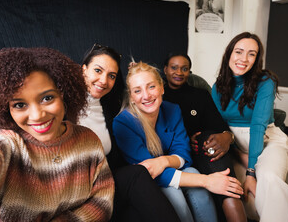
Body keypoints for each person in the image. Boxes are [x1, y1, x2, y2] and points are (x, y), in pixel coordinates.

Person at [0, 47, 114, 222]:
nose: (37, 116)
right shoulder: (7, 144)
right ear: (7, 109)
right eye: (20, 105)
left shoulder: (88, 139)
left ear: (63, 94)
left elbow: (102, 200)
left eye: (47, 98)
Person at [113, 61, 244, 222]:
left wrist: (164, 161)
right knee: (176, 196)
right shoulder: (123, 123)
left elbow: (184, 153)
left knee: (197, 182)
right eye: (137, 91)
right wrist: (208, 181)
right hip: (143, 182)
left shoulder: (172, 109)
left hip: (170, 168)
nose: (146, 96)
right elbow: (148, 171)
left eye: (151, 87)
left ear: (162, 88)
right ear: (132, 98)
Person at [78, 44, 180, 222]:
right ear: (83, 69)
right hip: (75, 189)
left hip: (106, 186)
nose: (103, 80)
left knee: (138, 178)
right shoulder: (60, 106)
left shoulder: (111, 108)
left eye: (111, 76)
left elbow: (136, 96)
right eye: (97, 70)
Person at [212, 32, 288, 221]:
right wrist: (238, 154)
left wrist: (252, 171)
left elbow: (258, 125)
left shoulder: (266, 81)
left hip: (267, 141)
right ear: (229, 54)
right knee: (252, 204)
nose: (244, 59)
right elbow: (218, 127)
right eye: (239, 52)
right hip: (236, 147)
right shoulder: (217, 87)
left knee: (269, 179)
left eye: (251, 54)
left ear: (257, 59)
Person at [162, 53, 247, 222]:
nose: (179, 72)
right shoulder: (157, 95)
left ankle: (233, 206)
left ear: (189, 72)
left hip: (203, 148)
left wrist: (226, 137)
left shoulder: (200, 94)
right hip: (175, 152)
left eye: (184, 68)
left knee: (209, 140)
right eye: (174, 67)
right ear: (165, 70)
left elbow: (218, 125)